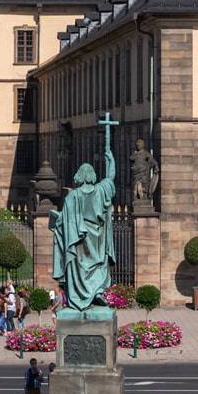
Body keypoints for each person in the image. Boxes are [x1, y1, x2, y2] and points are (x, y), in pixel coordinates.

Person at [50, 117, 117, 313]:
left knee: (78, 268)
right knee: (98, 264)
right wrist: (110, 157)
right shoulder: (103, 190)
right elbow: (111, 176)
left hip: (78, 241)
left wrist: (56, 222)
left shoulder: (73, 196)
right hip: (97, 238)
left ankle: (80, 297)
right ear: (93, 176)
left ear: (79, 176)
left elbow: (63, 221)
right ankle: (97, 291)